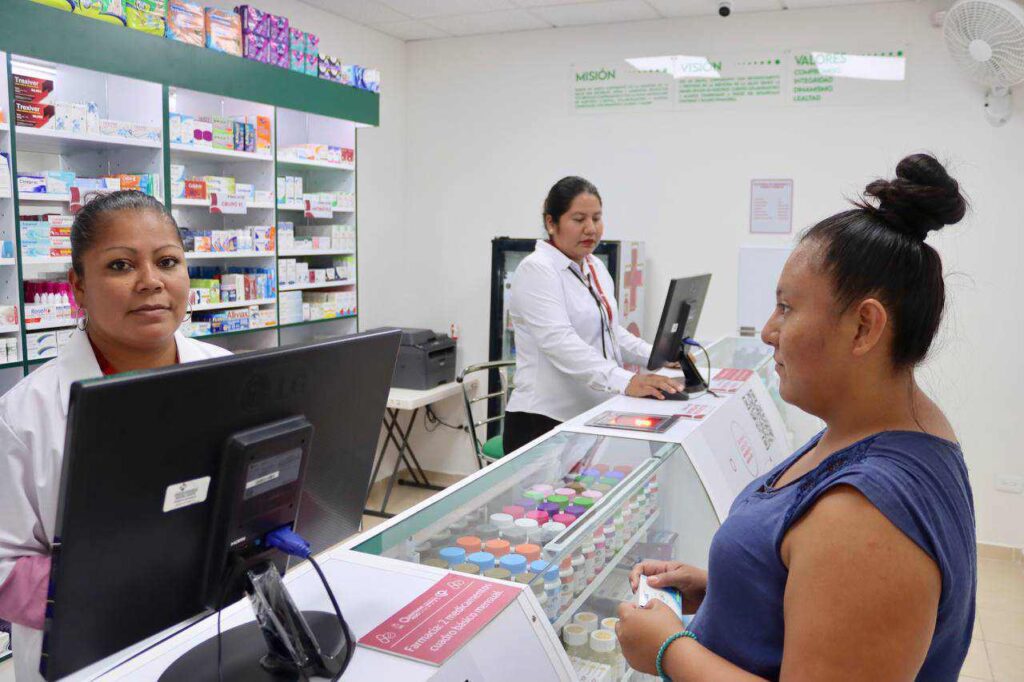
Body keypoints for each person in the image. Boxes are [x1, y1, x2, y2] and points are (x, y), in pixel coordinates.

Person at [617, 154, 977, 681]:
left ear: (863, 328)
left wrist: (666, 648)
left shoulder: (864, 515)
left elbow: (851, 570)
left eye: (787, 307)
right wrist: (732, 588)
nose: (768, 330)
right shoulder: (891, 426)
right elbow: (831, 603)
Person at [0, 191, 232, 681]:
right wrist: (113, 587)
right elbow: (3, 567)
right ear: (78, 287)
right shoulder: (24, 415)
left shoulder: (227, 373)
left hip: (214, 631)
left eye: (168, 261)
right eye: (121, 266)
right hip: (90, 657)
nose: (151, 282)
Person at [503, 176, 683, 453]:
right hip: (542, 421)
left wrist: (658, 355)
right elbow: (560, 343)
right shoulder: (537, 270)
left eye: (597, 218)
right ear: (551, 223)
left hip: (589, 414)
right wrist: (626, 380)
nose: (591, 229)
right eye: (578, 219)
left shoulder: (593, 266)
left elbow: (610, 331)